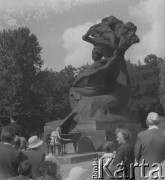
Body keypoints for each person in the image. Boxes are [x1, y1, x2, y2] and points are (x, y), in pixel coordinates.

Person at [134, 112, 165, 179]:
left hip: (146, 170)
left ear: (146, 122)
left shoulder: (141, 136)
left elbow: (137, 155)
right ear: (158, 122)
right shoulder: (164, 135)